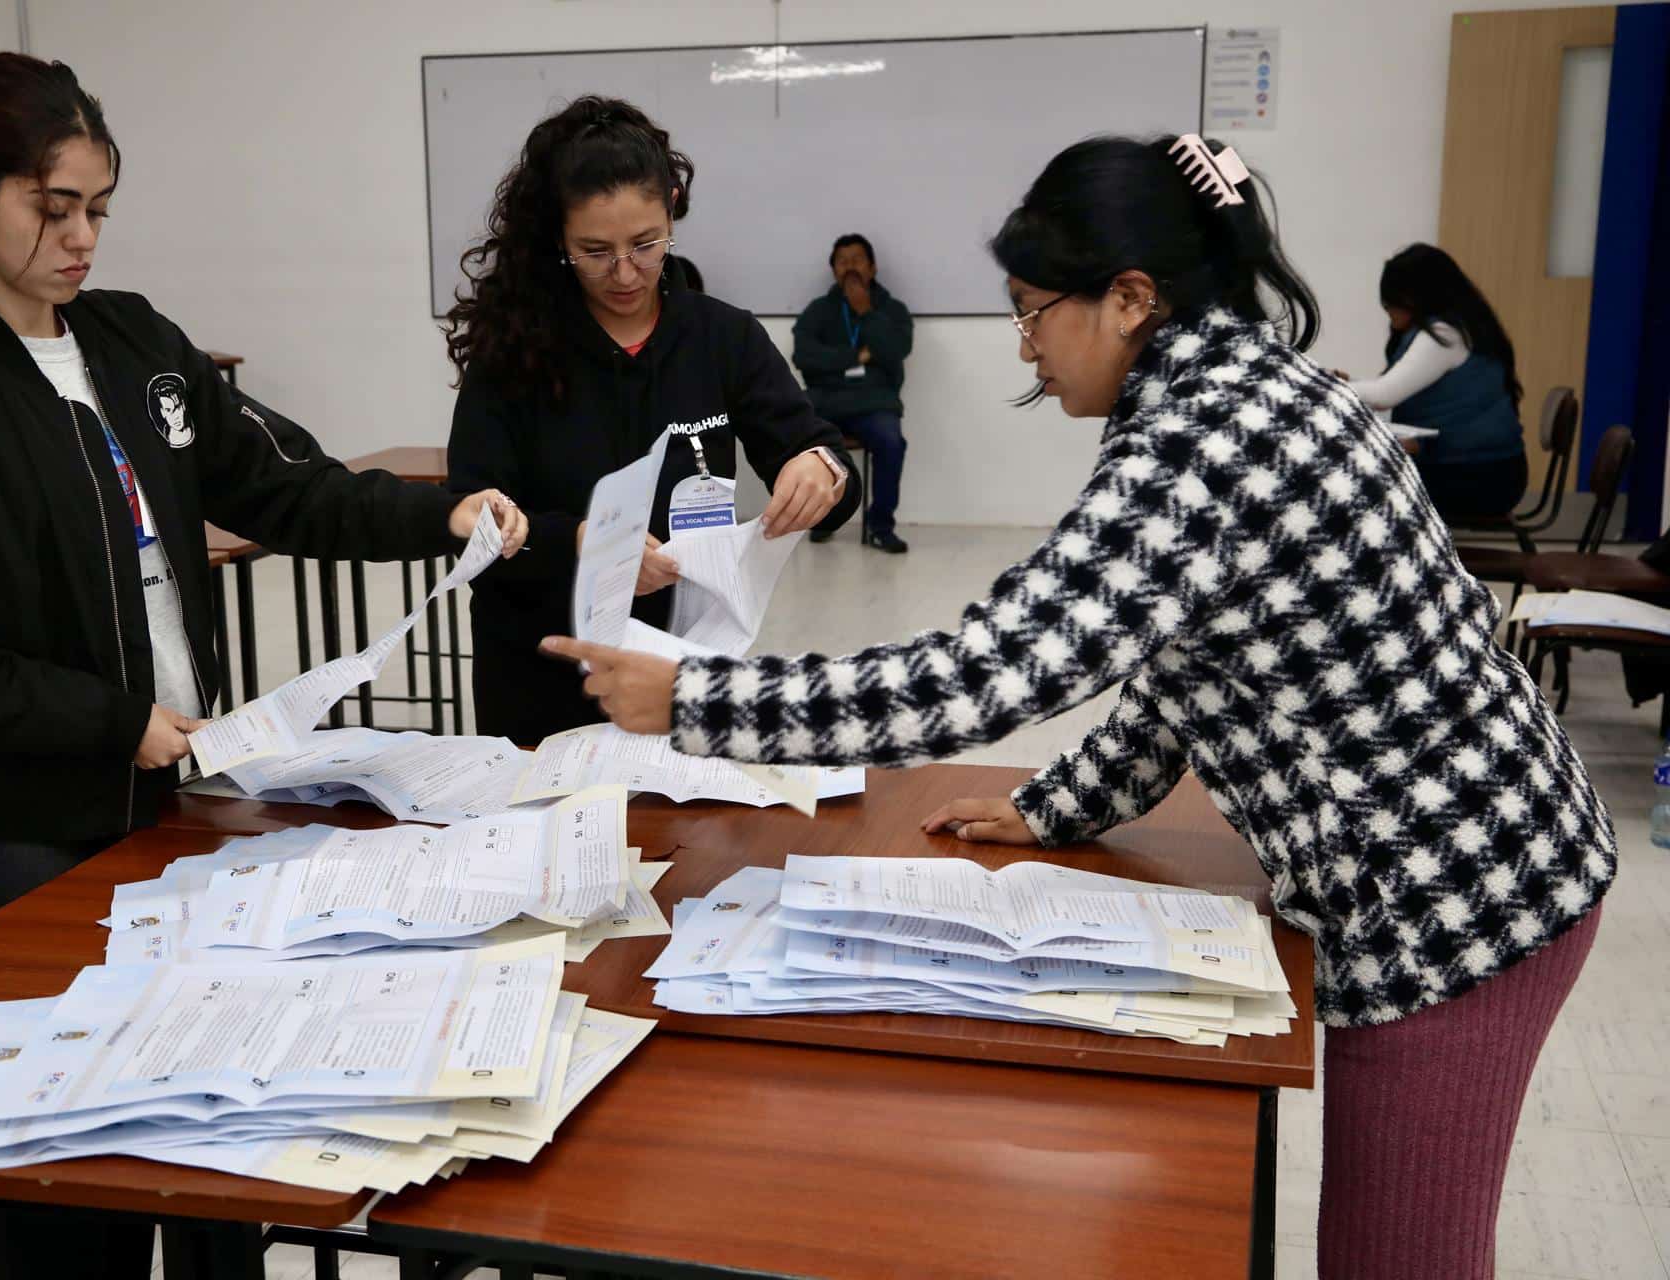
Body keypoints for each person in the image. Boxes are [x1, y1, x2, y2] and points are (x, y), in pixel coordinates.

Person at [544, 134, 1613, 1280]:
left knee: (1399, 1260)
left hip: (1455, 891)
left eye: (1032, 310)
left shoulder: (1206, 436)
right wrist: (1065, 804)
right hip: (1448, 856)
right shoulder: (1230, 381)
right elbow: (1181, 656)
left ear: (1130, 299)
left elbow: (985, 672)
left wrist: (695, 698)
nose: (1026, 346)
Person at [0, 42, 524, 1275]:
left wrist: (441, 513)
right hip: (31, 828)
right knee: (68, 1168)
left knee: (205, 1141)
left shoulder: (136, 344)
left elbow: (286, 486)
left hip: (182, 802)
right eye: (53, 207)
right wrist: (110, 719)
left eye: (98, 207)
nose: (83, 236)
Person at [445, 95, 860, 745]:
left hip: (681, 672)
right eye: (594, 250)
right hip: (541, 671)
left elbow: (815, 454)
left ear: (672, 208)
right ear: (558, 237)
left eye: (646, 244)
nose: (625, 272)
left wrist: (822, 470)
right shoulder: (515, 351)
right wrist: (585, 546)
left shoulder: (722, 337)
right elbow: (471, 517)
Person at [1344, 243, 1527, 523]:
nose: (1388, 312)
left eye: (1391, 302)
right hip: (1489, 469)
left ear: (1414, 298)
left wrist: (1320, 385)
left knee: (1357, 486)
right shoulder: (1464, 327)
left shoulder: (1444, 334)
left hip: (1480, 478)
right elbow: (1396, 387)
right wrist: (1350, 385)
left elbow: (1385, 394)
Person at [793, 233, 914, 551]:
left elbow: (896, 350)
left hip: (874, 404)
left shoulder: (892, 310)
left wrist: (866, 313)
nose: (850, 267)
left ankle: (880, 526)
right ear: (833, 270)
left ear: (872, 268)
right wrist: (857, 356)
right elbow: (803, 357)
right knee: (795, 428)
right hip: (826, 401)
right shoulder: (818, 311)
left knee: (891, 440)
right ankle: (823, 517)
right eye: (842, 261)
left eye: (857, 260)